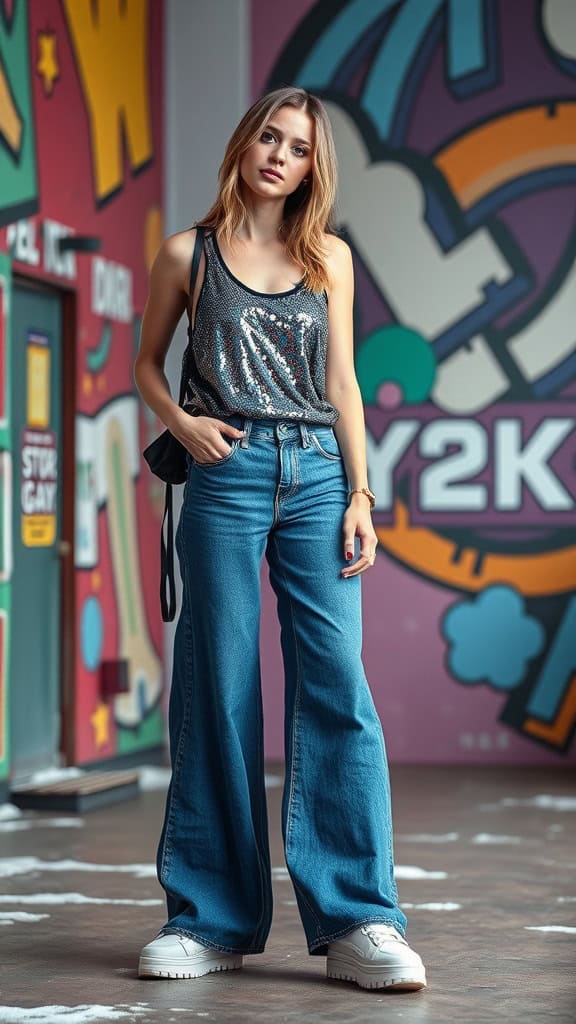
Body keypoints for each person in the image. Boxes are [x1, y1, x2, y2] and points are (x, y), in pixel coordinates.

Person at [134, 86, 427, 992]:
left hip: (318, 477)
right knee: (216, 684)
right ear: (245, 141)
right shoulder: (188, 253)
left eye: (299, 148)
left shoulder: (327, 257)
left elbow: (343, 385)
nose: (280, 156)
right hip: (224, 469)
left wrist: (363, 495)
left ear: (312, 168)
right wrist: (182, 427)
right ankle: (209, 920)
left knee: (337, 684)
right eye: (270, 136)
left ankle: (359, 920)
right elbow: (146, 366)